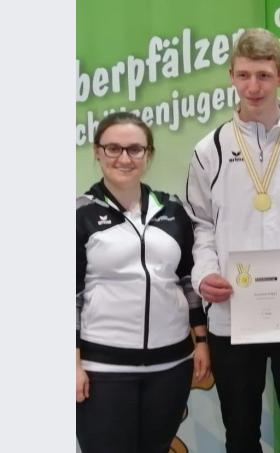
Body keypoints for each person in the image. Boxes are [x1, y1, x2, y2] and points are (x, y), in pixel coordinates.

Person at [184, 28, 280, 453]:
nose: (254, 87)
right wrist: (205, 276)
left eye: (265, 76)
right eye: (245, 75)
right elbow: (200, 225)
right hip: (232, 312)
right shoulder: (208, 150)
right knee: (240, 431)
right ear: (231, 75)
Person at [76, 112, 210, 453]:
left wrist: (202, 341)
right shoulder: (79, 213)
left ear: (148, 155)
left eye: (135, 149)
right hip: (103, 369)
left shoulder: (173, 210)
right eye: (113, 148)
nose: (124, 158)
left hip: (171, 366)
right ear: (97, 152)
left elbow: (188, 281)